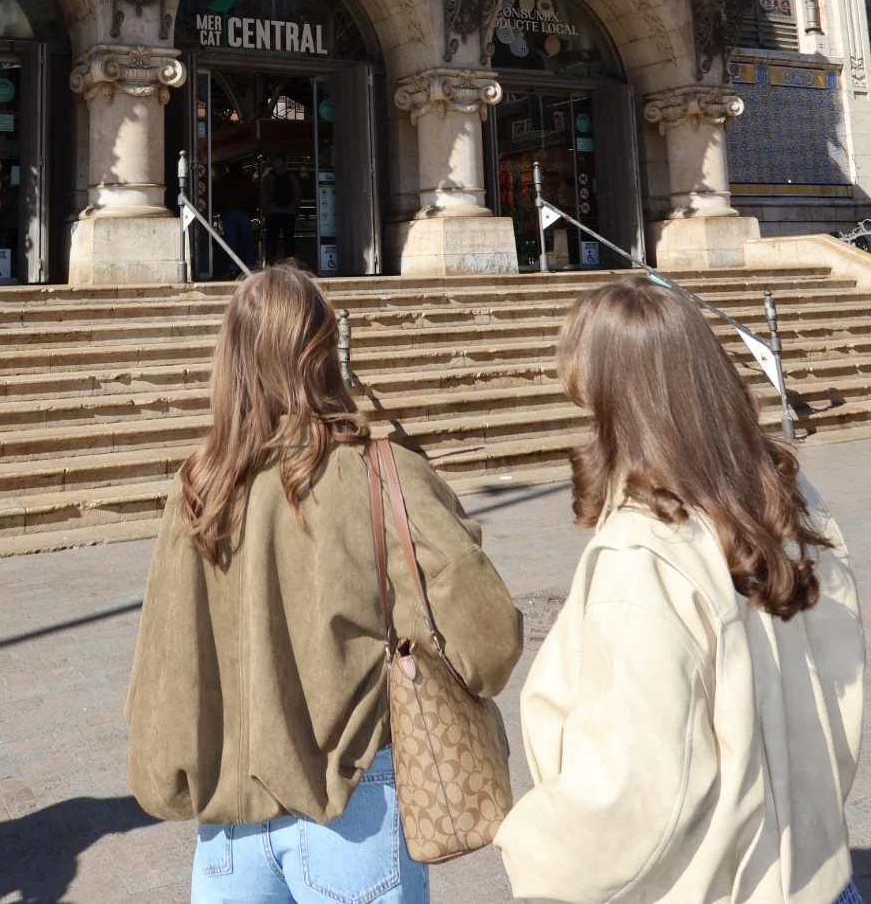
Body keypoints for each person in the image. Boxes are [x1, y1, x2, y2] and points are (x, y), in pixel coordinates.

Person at [126, 263, 522, 904]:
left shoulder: (197, 489)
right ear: (324, 351)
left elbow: (165, 666)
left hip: (226, 829)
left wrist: (173, 777)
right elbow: (490, 640)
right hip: (352, 803)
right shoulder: (375, 469)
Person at [495, 278, 865, 904]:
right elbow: (839, 681)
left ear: (615, 403)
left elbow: (636, 795)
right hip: (813, 871)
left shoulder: (642, 558)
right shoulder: (783, 501)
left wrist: (533, 843)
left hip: (718, 885)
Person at [214, 160, 258, 271]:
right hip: (242, 211)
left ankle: (232, 264)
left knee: (231, 239)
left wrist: (219, 209)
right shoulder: (245, 180)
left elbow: (218, 196)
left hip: (228, 212)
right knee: (247, 238)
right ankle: (250, 261)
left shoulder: (224, 181)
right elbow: (252, 195)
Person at [261, 152, 301, 263]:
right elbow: (297, 195)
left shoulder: (267, 177)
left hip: (273, 213)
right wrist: (296, 211)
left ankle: (270, 265)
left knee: (272, 241)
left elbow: (264, 196)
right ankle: (291, 264)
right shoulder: (292, 177)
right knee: (289, 240)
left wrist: (265, 212)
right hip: (289, 213)